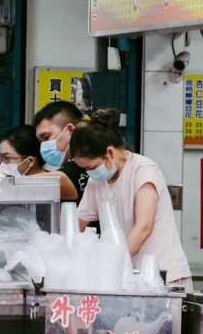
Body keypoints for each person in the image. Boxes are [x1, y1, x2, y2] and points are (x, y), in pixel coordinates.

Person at [69, 110, 192, 291]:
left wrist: (111, 266)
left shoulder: (143, 171)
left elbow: (143, 227)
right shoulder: (96, 181)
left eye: (91, 167)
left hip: (164, 279)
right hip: (130, 279)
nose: (90, 172)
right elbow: (76, 225)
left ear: (109, 153)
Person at [0, 124, 79, 203]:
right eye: (0, 158)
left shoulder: (56, 184)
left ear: (30, 161)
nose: (2, 164)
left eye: (7, 158)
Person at [33, 100, 87, 203]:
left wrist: (8, 183)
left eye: (46, 137)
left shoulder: (86, 163)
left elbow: (58, 181)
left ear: (70, 130)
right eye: (40, 142)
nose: (43, 146)